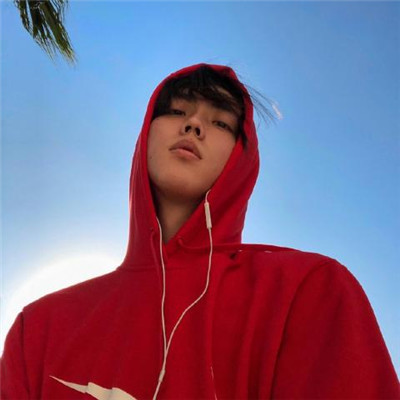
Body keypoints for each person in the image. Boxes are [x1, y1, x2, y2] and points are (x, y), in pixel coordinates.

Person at [1, 63, 398, 400]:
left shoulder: (309, 292)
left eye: (220, 121)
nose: (193, 125)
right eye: (177, 110)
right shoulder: (38, 329)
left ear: (242, 159)